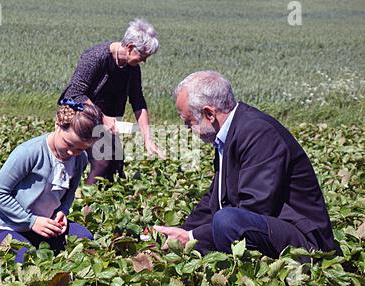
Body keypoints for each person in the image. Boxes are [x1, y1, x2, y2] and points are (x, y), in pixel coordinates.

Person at [154, 70, 340, 259]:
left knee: (227, 221)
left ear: (209, 113)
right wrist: (182, 232)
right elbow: (216, 197)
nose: (188, 129)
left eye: (189, 122)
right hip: (271, 229)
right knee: (222, 221)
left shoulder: (258, 133)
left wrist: (193, 237)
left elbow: (255, 207)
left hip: (304, 240)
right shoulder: (231, 133)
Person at [0, 101, 103, 263]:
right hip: (7, 224)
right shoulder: (29, 152)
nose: (71, 152)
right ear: (58, 124)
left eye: (79, 148)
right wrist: (31, 221)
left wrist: (62, 210)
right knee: (27, 261)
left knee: (86, 239)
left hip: (45, 223)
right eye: (68, 144)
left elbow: (70, 192)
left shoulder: (79, 159)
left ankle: (40, 242)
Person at [58, 18, 164, 185]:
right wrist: (103, 117)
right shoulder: (95, 57)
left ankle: (105, 206)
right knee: (102, 163)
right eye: (143, 56)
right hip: (81, 116)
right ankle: (83, 202)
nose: (144, 61)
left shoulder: (132, 68)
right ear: (130, 48)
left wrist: (147, 138)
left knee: (116, 164)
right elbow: (74, 93)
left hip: (105, 121)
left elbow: (138, 101)